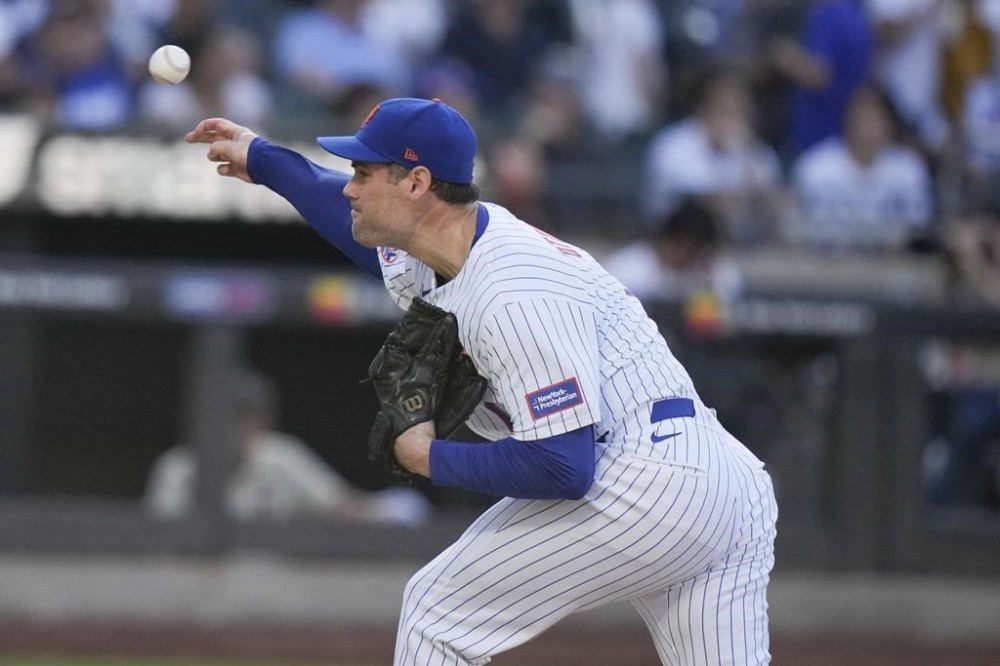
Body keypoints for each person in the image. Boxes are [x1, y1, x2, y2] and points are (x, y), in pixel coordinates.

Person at [186, 97, 777, 664]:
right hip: (722, 483)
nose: (350, 186)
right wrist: (264, 159)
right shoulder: (439, 242)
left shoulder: (510, 295)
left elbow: (563, 468)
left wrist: (429, 459)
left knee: (434, 616)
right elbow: (342, 212)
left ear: (416, 184)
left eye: (364, 172)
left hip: (642, 480)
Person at [145, 367, 430, 526]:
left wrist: (385, 509)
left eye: (249, 418)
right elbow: (155, 540)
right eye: (233, 418)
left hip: (269, 582)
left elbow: (337, 504)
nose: (242, 429)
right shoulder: (177, 467)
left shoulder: (279, 456)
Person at [604, 195, 744, 305]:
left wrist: (707, 286)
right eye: (688, 249)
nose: (691, 259)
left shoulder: (717, 271)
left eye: (699, 253)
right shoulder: (627, 269)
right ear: (669, 240)